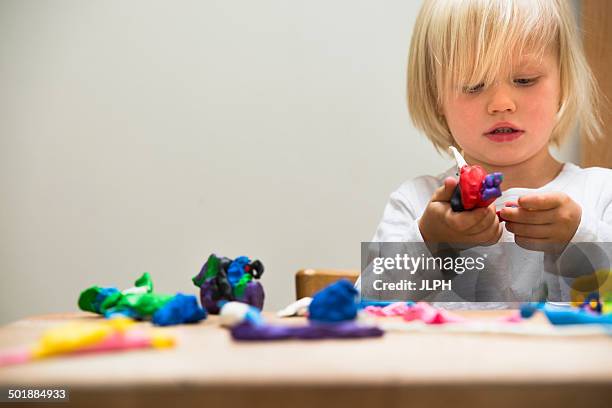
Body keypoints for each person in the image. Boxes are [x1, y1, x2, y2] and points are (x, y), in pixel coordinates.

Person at [359, 0, 612, 307]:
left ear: (563, 83)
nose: (501, 103)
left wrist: (580, 238)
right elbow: (366, 305)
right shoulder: (417, 202)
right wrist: (431, 244)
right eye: (474, 85)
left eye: (525, 80)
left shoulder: (601, 194)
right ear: (436, 96)